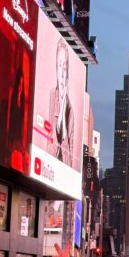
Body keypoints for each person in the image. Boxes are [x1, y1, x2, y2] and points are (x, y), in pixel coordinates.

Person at [48, 37, 75, 166]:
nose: (63, 73)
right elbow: (49, 145)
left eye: (65, 66)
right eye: (60, 65)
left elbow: (71, 158)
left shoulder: (71, 111)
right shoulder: (52, 96)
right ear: (56, 69)